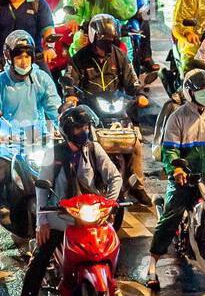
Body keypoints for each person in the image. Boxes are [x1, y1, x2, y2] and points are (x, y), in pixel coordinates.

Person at [11, 104, 122, 296]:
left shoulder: (94, 150)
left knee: (111, 244)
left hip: (90, 216)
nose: (84, 131)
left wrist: (111, 203)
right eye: (79, 127)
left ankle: (112, 283)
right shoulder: (55, 153)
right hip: (61, 218)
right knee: (39, 261)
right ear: (68, 131)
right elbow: (42, 187)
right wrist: (42, 222)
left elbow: (114, 176)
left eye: (86, 127)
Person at [146, 67, 205, 289]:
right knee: (171, 217)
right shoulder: (178, 118)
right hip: (186, 181)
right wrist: (177, 170)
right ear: (189, 93)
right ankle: (152, 263)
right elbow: (170, 151)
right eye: (200, 91)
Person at [0, 30, 61, 262]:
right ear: (9, 57)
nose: (24, 61)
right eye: (19, 57)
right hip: (7, 145)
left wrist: (57, 126)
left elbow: (53, 107)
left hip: (36, 142)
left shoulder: (41, 79)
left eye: (27, 56)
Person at [64, 13, 152, 204]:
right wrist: (71, 96)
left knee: (135, 143)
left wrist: (140, 94)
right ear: (94, 38)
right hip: (90, 113)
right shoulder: (79, 58)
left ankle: (138, 187)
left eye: (110, 42)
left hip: (117, 112)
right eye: (103, 42)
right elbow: (70, 82)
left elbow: (132, 80)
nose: (106, 47)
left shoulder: (119, 56)